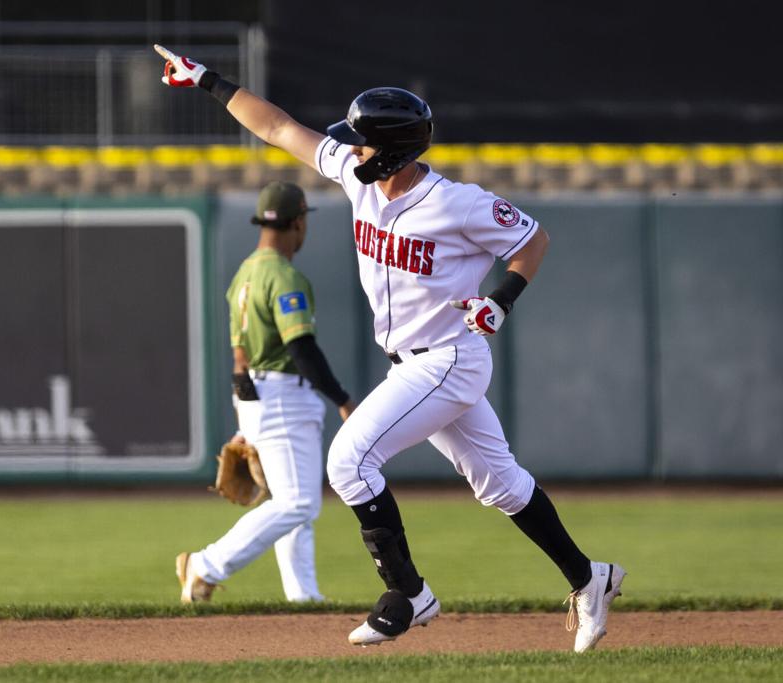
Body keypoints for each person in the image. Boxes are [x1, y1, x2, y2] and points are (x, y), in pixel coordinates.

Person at [155, 45, 626, 653]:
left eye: (362, 141)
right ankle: (591, 579)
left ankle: (407, 595)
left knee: (348, 462)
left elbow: (532, 239)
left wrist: (501, 300)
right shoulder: (358, 175)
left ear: (395, 152)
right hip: (411, 361)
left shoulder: (456, 203)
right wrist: (206, 80)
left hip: (448, 358)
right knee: (501, 485)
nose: (351, 148)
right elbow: (276, 127)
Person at [176, 180, 357, 604]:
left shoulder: (245, 272)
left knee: (294, 503)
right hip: (283, 394)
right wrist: (343, 399)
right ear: (297, 222)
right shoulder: (282, 275)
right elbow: (301, 348)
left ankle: (303, 597)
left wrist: (245, 414)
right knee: (297, 503)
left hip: (255, 390)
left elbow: (239, 356)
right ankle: (205, 564)